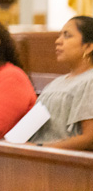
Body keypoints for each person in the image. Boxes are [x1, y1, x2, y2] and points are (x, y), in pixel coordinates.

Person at [29, 16, 93, 150]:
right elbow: (28, 129)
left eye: (67, 36)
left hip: (66, 162)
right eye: (59, 36)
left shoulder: (90, 80)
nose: (58, 41)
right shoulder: (55, 83)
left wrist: (41, 148)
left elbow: (89, 138)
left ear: (88, 46)